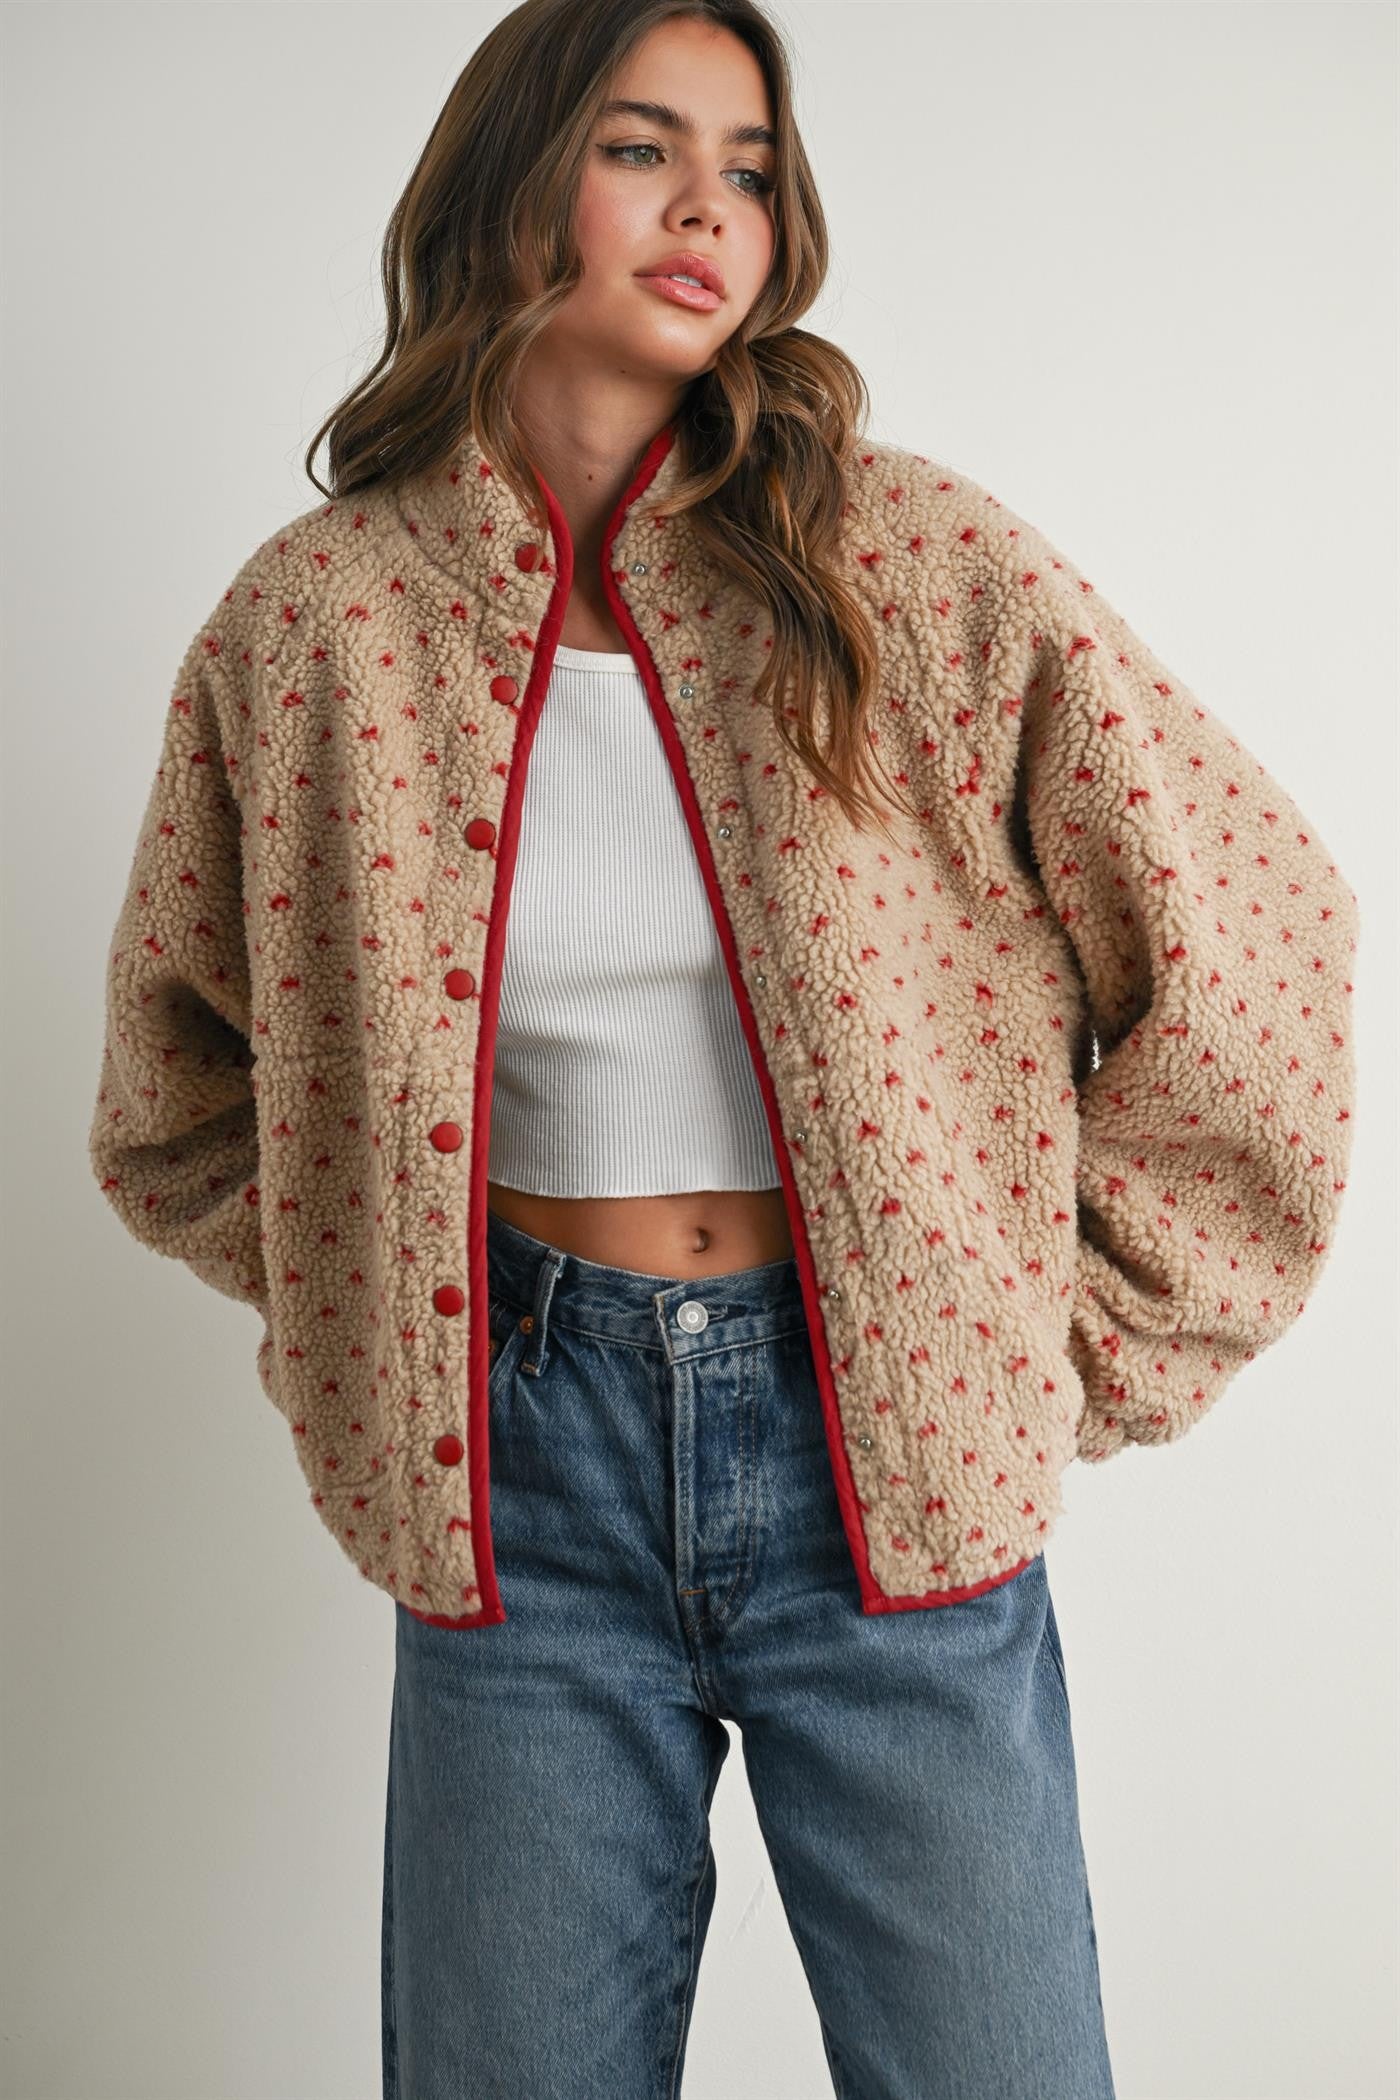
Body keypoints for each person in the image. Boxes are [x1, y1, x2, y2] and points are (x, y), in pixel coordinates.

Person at [88, 2, 1361, 2095]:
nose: (708, 208)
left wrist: (1060, 1334)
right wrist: (372, 1302)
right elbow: (175, 1090)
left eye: (749, 168)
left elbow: (1260, 932)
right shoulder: (315, 629)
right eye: (641, 148)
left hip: (890, 1452)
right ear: (508, 183)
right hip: (517, 1482)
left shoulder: (914, 566)